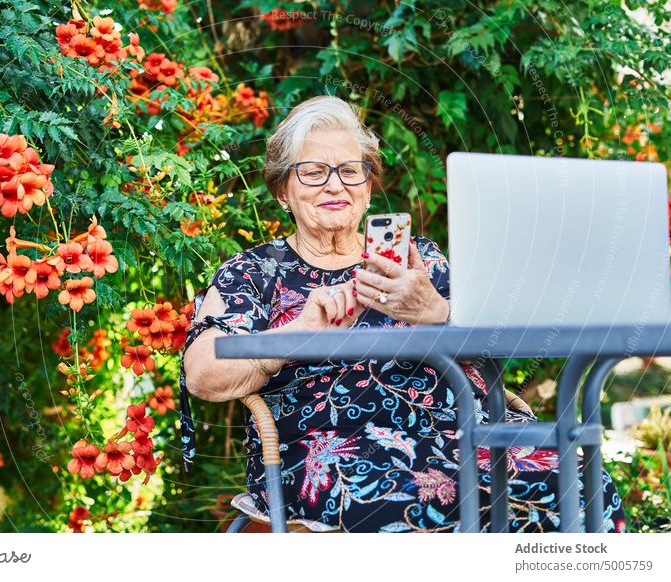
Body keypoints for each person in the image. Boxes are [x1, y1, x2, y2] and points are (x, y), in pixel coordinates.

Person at [179, 95, 626, 533]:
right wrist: (297, 333)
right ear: (282, 190)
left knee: (587, 484)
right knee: (406, 498)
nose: (335, 185)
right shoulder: (255, 273)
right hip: (336, 453)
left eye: (350, 171)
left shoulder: (422, 263)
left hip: (468, 435)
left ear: (369, 187)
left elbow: (503, 344)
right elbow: (201, 373)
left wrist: (439, 311)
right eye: (314, 172)